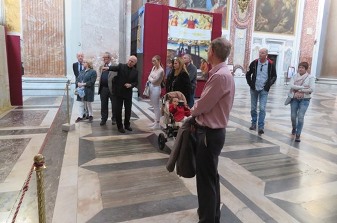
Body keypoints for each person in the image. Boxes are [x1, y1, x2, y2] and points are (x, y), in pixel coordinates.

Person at [190, 37, 235, 223]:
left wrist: (189, 111)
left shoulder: (220, 76)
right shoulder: (221, 73)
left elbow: (204, 105)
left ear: (212, 52)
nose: (207, 52)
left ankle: (207, 219)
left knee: (205, 182)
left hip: (209, 134)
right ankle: (212, 216)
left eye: (208, 49)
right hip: (213, 133)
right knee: (211, 178)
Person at [245, 48, 277, 135]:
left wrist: (269, 85)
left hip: (264, 89)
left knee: (262, 108)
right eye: (260, 52)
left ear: (266, 54)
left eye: (262, 53)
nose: (260, 54)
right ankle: (253, 123)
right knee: (253, 108)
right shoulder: (254, 63)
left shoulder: (270, 64)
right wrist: (250, 83)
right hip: (254, 88)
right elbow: (248, 74)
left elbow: (274, 76)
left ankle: (261, 126)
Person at [103, 56, 138, 133]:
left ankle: (127, 125)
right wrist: (108, 68)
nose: (130, 62)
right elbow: (114, 68)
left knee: (128, 110)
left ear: (135, 63)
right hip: (119, 92)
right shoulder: (121, 66)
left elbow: (136, 82)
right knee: (118, 110)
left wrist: (131, 85)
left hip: (128, 93)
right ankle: (120, 126)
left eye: (132, 61)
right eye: (129, 60)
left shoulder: (135, 71)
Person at [288, 62, 315, 142]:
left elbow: (311, 89)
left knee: (300, 117)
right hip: (294, 98)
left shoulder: (310, 78)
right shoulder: (294, 76)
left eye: (302, 67)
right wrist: (303, 88)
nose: (300, 69)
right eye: (299, 67)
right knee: (293, 116)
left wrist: (299, 89)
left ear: (306, 69)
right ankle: (294, 127)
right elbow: (291, 85)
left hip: (305, 99)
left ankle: (298, 134)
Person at [98, 52, 117, 126]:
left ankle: (114, 119)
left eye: (105, 58)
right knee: (103, 105)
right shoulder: (101, 66)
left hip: (112, 89)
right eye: (103, 58)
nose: (104, 59)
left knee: (114, 105)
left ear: (109, 58)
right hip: (103, 88)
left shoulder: (115, 66)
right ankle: (103, 119)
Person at [147, 55, 165, 130]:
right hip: (151, 87)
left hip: (156, 88)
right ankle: (155, 121)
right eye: (152, 61)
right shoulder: (153, 68)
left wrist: (151, 78)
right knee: (154, 106)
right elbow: (149, 77)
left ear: (159, 61)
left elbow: (154, 81)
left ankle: (157, 123)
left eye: (154, 61)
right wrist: (151, 78)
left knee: (156, 106)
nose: (153, 62)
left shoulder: (161, 70)